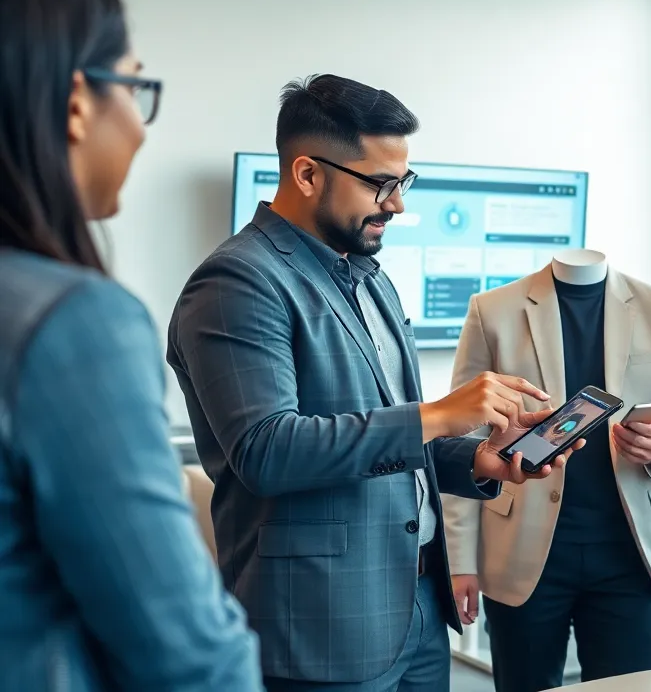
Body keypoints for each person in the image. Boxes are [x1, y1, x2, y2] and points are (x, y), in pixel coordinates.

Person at [167, 74, 576, 691]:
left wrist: (478, 460)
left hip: (416, 608)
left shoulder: (370, 277)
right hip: (321, 624)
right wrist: (440, 414)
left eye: (403, 182)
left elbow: (388, 437)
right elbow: (268, 450)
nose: (397, 204)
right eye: (381, 184)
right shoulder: (236, 283)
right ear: (308, 174)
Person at [0, 0, 261, 690]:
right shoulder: (70, 323)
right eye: (136, 88)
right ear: (76, 102)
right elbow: (185, 651)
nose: (142, 125)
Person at [443, 251, 651, 691]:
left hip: (631, 554)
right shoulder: (493, 310)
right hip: (520, 552)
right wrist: (458, 562)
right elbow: (462, 438)